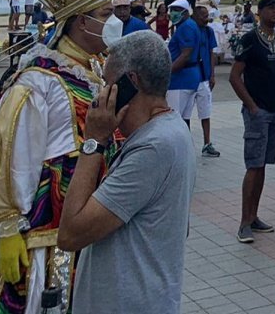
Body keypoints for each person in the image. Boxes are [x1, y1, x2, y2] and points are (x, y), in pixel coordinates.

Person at [0, 0, 116, 314]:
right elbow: (5, 154)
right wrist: (5, 226)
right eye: (105, 14)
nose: (111, 22)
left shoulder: (92, 70)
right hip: (42, 240)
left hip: (86, 231)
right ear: (80, 20)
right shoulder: (36, 83)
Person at [60, 30, 196, 314]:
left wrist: (93, 141)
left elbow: (71, 234)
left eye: (108, 84)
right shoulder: (172, 130)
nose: (102, 94)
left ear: (130, 83)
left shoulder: (154, 147)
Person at [227, 0, 275, 243]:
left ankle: (254, 216)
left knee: (262, 165)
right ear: (260, 12)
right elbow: (234, 76)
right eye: (271, 8)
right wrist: (251, 106)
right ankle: (244, 222)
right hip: (258, 111)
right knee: (253, 166)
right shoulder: (249, 39)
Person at [165, 0, 205, 135]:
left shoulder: (186, 27)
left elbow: (185, 55)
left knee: (173, 119)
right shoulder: (189, 25)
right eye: (171, 10)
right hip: (189, 78)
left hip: (180, 80)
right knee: (184, 119)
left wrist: (167, 73)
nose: (172, 13)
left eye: (176, 10)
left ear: (185, 12)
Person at [191, 4, 220, 157]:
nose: (206, 18)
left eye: (207, 15)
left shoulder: (208, 32)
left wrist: (212, 75)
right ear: (195, 16)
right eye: (203, 16)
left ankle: (207, 142)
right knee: (185, 113)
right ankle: (187, 144)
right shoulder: (189, 30)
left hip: (204, 78)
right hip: (189, 78)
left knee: (205, 112)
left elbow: (211, 53)